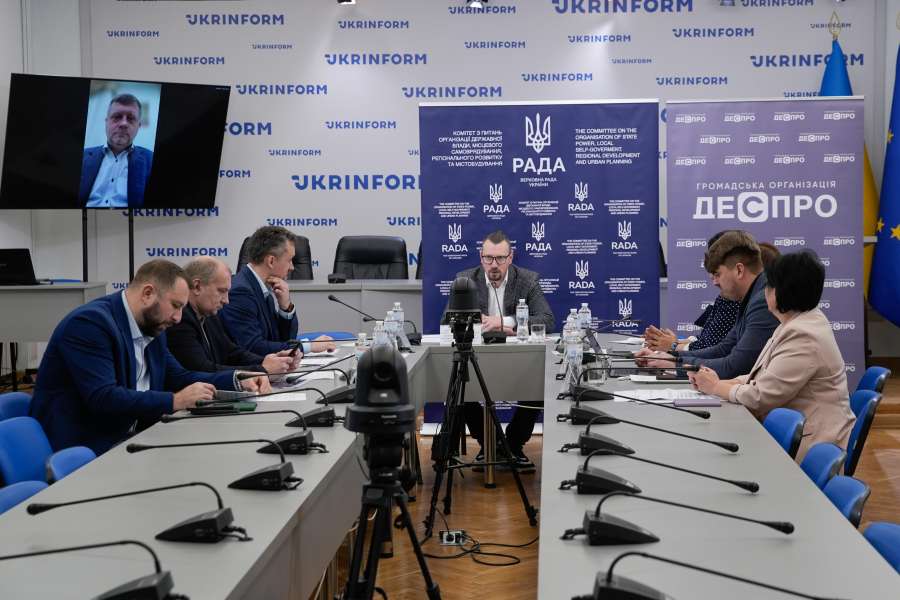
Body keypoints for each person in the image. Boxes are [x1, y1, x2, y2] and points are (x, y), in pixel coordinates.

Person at [29, 260, 270, 454]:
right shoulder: (90, 325)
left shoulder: (152, 324)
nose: (178, 318)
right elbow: (103, 397)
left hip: (132, 437)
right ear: (147, 293)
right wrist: (174, 401)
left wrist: (239, 379)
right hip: (88, 448)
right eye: (175, 306)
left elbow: (179, 377)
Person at [688, 250, 855, 461]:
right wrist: (718, 382)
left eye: (768, 285)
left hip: (812, 446)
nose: (764, 291)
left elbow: (761, 396)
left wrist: (715, 387)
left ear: (782, 291)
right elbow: (760, 377)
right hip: (797, 434)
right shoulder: (794, 322)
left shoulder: (803, 335)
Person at [447, 230, 556, 472]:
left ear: (510, 257)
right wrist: (475, 323)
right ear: (481, 257)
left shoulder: (527, 280)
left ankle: (513, 445)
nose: (494, 265)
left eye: (500, 258)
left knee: (539, 383)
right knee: (459, 386)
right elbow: (447, 320)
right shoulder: (465, 280)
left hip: (518, 361)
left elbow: (547, 319)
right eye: (488, 258)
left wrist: (505, 322)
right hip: (477, 358)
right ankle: (491, 444)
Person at [636, 230, 778, 378]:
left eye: (718, 274)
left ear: (739, 270)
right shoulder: (751, 296)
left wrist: (676, 365)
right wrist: (670, 357)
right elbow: (722, 350)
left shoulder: (762, 301)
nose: (715, 282)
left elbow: (735, 366)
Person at [166, 257, 299, 374]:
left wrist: (270, 360)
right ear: (197, 286)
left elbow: (231, 353)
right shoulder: (180, 320)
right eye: (221, 291)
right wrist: (263, 369)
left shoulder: (209, 314)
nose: (226, 301)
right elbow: (202, 369)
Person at [220, 226, 334, 356]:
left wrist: (285, 307)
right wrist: (308, 346)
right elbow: (253, 347)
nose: (292, 267)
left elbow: (282, 340)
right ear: (271, 261)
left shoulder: (262, 287)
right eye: (289, 260)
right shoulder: (241, 293)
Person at [645, 231, 742, 353]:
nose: (714, 280)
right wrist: (672, 342)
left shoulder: (737, 300)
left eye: (717, 272)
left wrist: (673, 346)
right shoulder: (727, 296)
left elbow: (713, 349)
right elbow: (707, 339)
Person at [79, 93, 154, 208]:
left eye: (131, 118)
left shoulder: (150, 160)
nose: (123, 123)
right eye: (117, 117)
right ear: (106, 122)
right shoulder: (83, 156)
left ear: (138, 126)